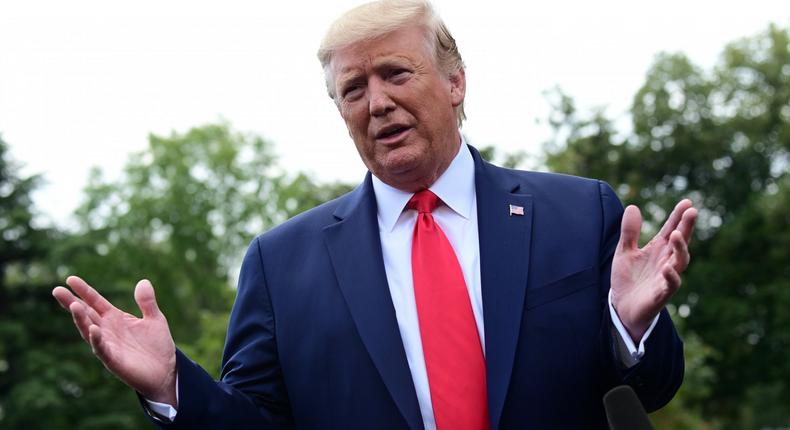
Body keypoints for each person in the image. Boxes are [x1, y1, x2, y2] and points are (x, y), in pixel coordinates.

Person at [52, 1, 698, 428]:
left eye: (396, 73)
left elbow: (653, 389)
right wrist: (172, 385)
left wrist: (630, 329)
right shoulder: (280, 265)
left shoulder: (578, 214)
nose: (377, 102)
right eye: (354, 89)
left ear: (455, 82)